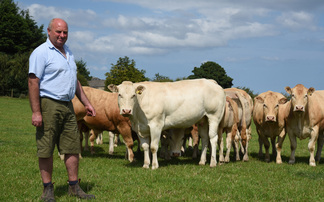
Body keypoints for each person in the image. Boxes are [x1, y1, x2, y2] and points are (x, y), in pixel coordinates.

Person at [28, 18, 96, 201]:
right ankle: (47, 189)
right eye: (58, 32)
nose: (62, 35)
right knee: (46, 147)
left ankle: (74, 187)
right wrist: (36, 112)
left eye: (65, 32)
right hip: (48, 103)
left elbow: (74, 81)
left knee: (72, 147)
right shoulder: (41, 53)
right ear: (49, 31)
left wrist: (86, 103)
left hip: (68, 105)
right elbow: (33, 81)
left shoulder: (68, 53)